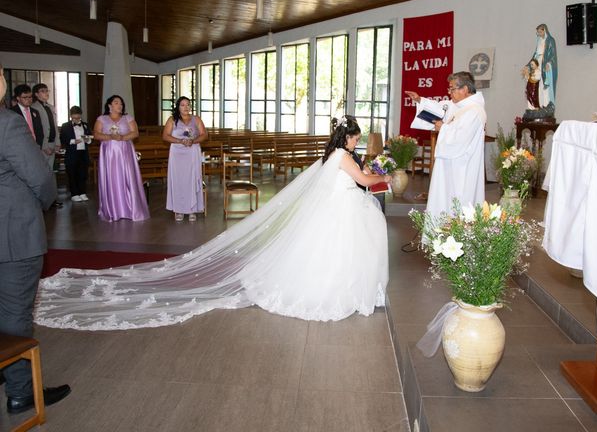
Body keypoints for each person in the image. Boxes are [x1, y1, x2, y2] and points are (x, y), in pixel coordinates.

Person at [34, 116, 391, 330]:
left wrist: (374, 173)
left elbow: (357, 177)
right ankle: (336, 293)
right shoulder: (343, 156)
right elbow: (363, 181)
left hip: (336, 210)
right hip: (341, 211)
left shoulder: (332, 154)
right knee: (338, 253)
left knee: (328, 254)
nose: (358, 140)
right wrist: (385, 176)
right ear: (347, 137)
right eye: (356, 136)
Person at [0, 65, 71, 414]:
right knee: (15, 314)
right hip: (12, 234)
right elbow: (40, 178)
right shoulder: (6, 122)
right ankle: (20, 391)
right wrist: (46, 203)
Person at [405, 71, 487, 217]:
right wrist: (419, 100)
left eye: (452, 89)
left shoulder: (474, 111)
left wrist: (442, 128)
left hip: (461, 169)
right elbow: (441, 108)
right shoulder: (460, 106)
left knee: (455, 202)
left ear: (465, 89)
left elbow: (460, 139)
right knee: (445, 200)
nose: (449, 92)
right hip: (450, 166)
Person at [93, 95, 150, 222]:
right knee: (112, 178)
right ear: (109, 105)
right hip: (109, 152)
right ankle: (113, 209)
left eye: (121, 103)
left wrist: (122, 138)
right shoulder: (102, 119)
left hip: (125, 151)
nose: (120, 105)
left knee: (127, 177)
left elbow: (135, 133)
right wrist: (110, 137)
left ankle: (131, 209)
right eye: (116, 103)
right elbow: (96, 134)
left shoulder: (127, 118)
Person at [163, 97, 206, 222]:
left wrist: (193, 140)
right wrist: (180, 141)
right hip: (177, 153)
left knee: (192, 179)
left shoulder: (196, 119)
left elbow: (204, 135)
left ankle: (192, 209)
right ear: (178, 107)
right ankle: (179, 210)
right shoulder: (172, 120)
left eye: (188, 105)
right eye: (183, 105)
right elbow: (165, 136)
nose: (186, 107)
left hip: (192, 152)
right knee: (178, 180)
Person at [32, 83, 63, 209]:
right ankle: (41, 200)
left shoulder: (50, 107)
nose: (46, 93)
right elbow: (37, 129)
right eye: (43, 91)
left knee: (51, 172)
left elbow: (54, 126)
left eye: (47, 90)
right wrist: (44, 145)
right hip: (42, 145)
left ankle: (51, 199)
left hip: (52, 143)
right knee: (42, 172)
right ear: (36, 94)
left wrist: (57, 143)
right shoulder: (34, 108)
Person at [524, 23, 557, 119]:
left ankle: (546, 105)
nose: (538, 34)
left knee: (544, 87)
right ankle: (536, 105)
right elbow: (535, 55)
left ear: (544, 31)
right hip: (537, 65)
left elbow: (553, 56)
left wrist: (549, 64)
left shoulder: (550, 41)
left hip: (545, 66)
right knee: (536, 87)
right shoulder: (539, 41)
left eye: (539, 32)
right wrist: (528, 66)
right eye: (537, 32)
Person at [60, 106, 92, 202]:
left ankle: (82, 192)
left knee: (83, 173)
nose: (76, 120)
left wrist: (88, 140)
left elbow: (90, 137)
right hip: (72, 153)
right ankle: (74, 193)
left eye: (78, 118)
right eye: (74, 118)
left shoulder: (85, 125)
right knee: (72, 173)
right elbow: (63, 139)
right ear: (71, 116)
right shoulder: (65, 126)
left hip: (83, 153)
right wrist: (73, 141)